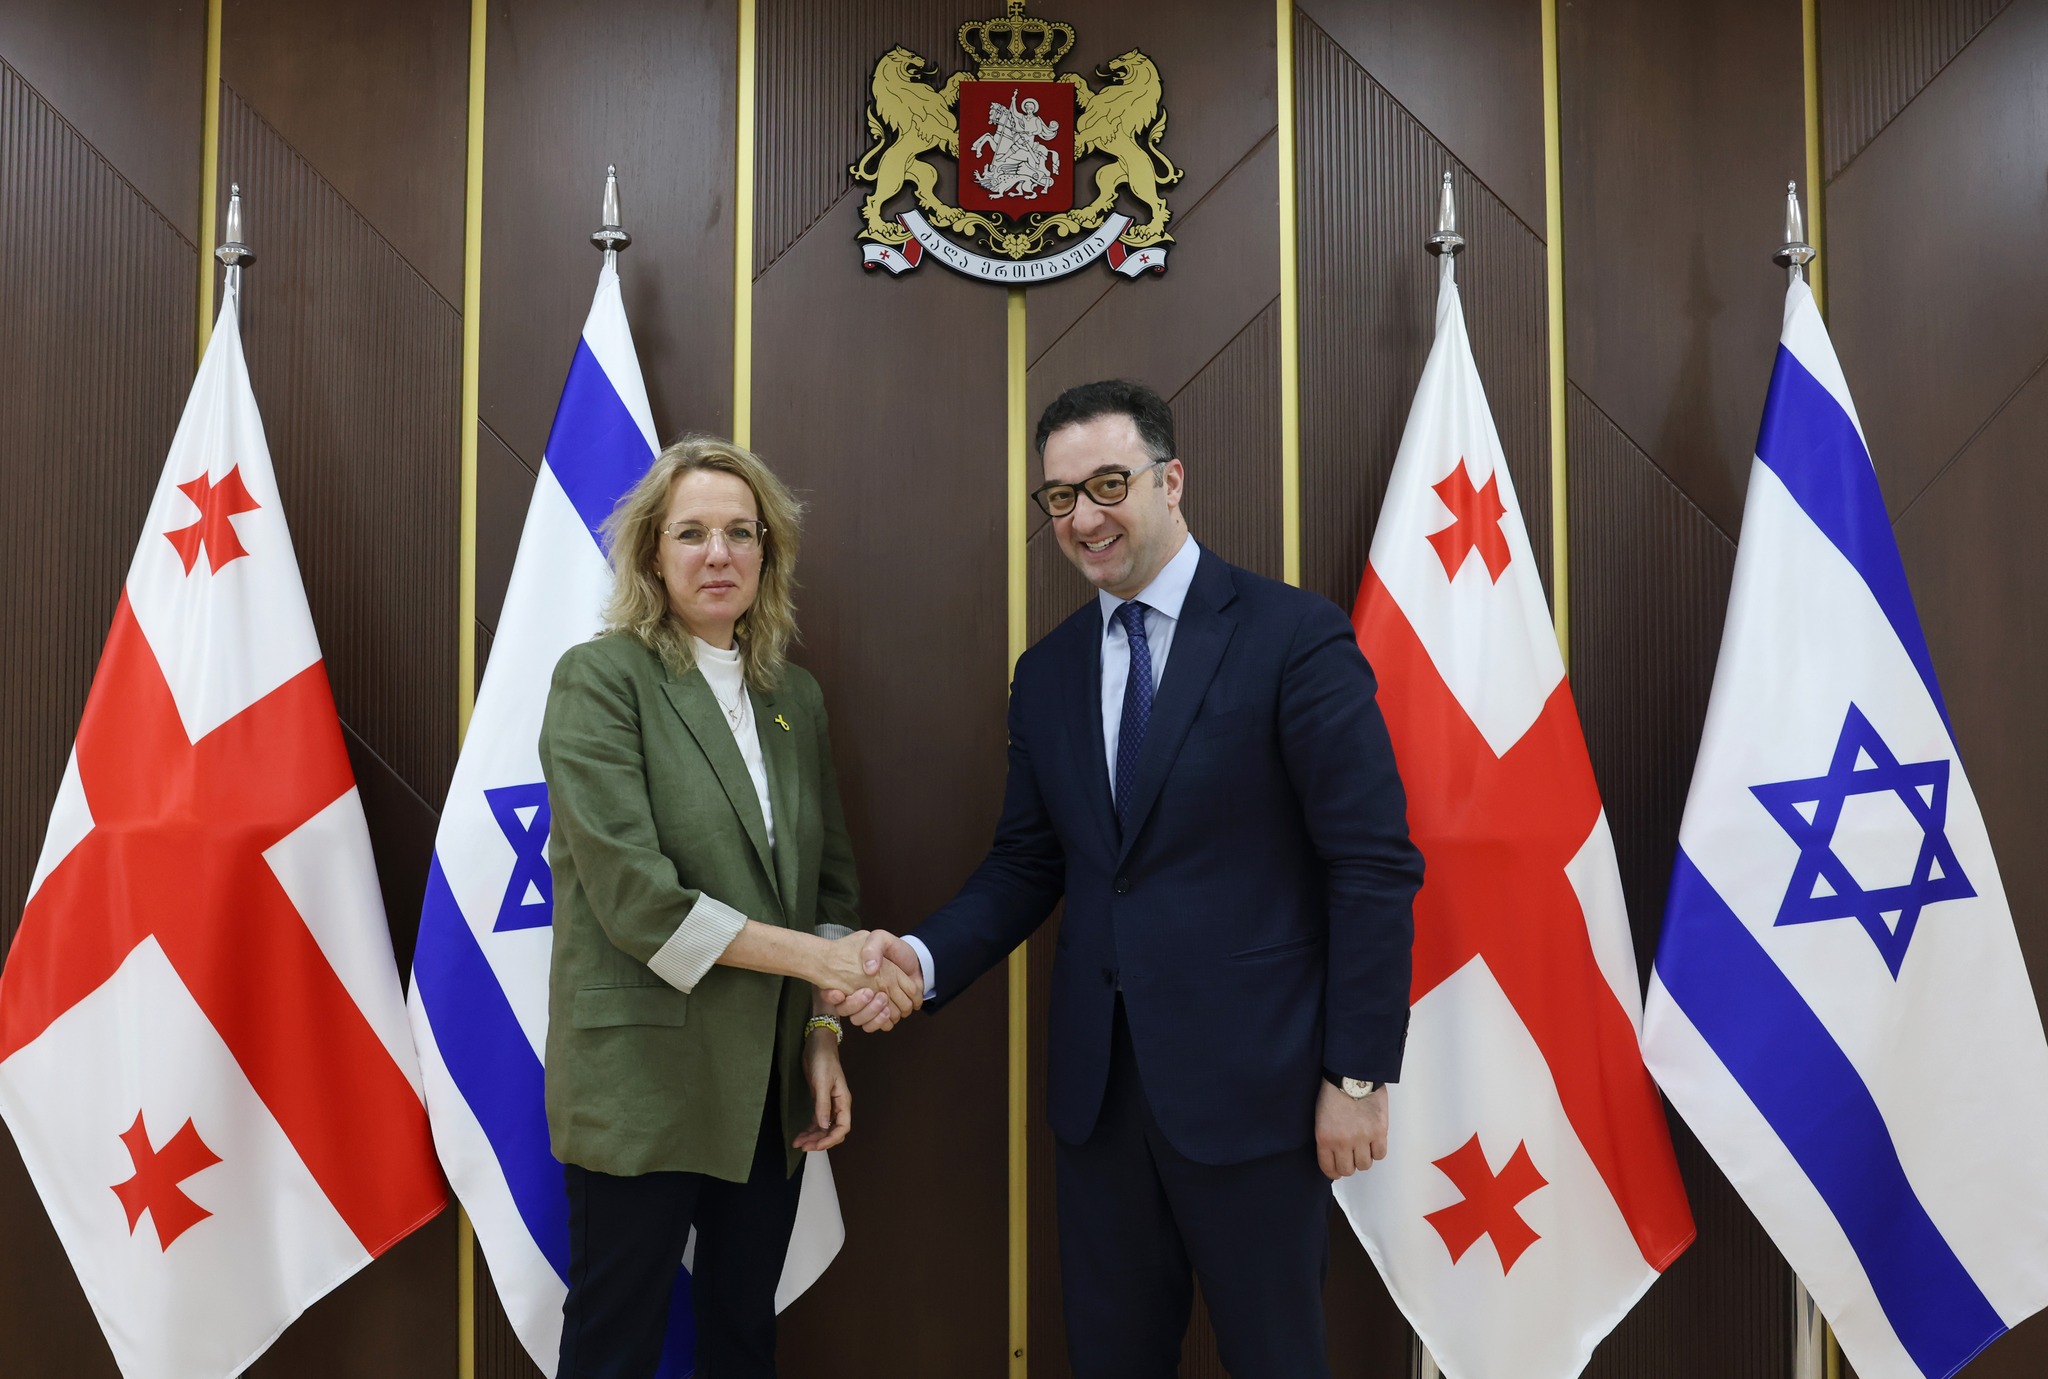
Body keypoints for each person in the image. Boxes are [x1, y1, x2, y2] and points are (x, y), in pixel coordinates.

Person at [834, 380, 1423, 1378]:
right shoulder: (1047, 672)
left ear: (1170, 479)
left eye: (1108, 484)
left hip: (1259, 1098)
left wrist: (1357, 1076)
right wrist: (920, 960)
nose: (1083, 517)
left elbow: (1371, 863)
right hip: (1100, 1103)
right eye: (1060, 497)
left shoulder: (1292, 635)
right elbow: (1028, 861)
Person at [540, 435, 918, 1379]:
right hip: (642, 1081)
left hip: (770, 1086)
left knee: (744, 1336)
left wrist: (823, 1031)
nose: (719, 553)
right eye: (692, 532)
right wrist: (824, 963)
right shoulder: (600, 679)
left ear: (767, 552)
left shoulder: (794, 697)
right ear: (651, 552)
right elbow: (637, 903)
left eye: (741, 532)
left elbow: (830, 888)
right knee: (614, 1345)